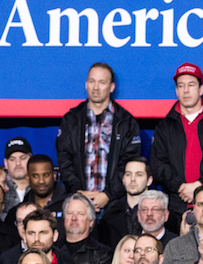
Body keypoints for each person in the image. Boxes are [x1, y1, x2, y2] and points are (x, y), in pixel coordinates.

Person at [150, 62, 203, 225]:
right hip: (176, 206)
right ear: (176, 91)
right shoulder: (165, 126)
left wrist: (198, 186)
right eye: (181, 86)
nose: (186, 90)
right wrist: (181, 186)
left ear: (201, 89)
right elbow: (158, 165)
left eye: (191, 85)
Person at [56, 62, 142, 209]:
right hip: (79, 204)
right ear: (86, 84)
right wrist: (78, 193)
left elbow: (129, 162)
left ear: (112, 87)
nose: (96, 87)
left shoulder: (125, 121)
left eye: (102, 82)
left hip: (115, 205)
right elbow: (64, 160)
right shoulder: (71, 119)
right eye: (92, 81)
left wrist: (108, 194)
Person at [98, 158, 154, 248]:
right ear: (123, 179)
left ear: (149, 180)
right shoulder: (110, 214)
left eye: (139, 175)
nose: (132, 179)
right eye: (128, 174)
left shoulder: (159, 212)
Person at [61, 193, 111, 264]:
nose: (74, 218)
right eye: (69, 213)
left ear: (91, 221)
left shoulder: (103, 254)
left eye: (80, 214)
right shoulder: (53, 249)